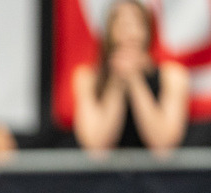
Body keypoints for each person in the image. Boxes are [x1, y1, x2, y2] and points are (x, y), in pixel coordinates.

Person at [73, 0, 189, 153]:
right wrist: (117, 82)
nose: (129, 33)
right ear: (108, 32)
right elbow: (96, 146)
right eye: (121, 24)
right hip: (108, 168)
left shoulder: (172, 76)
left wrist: (135, 80)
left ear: (147, 30)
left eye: (135, 23)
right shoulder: (88, 78)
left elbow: (164, 144)